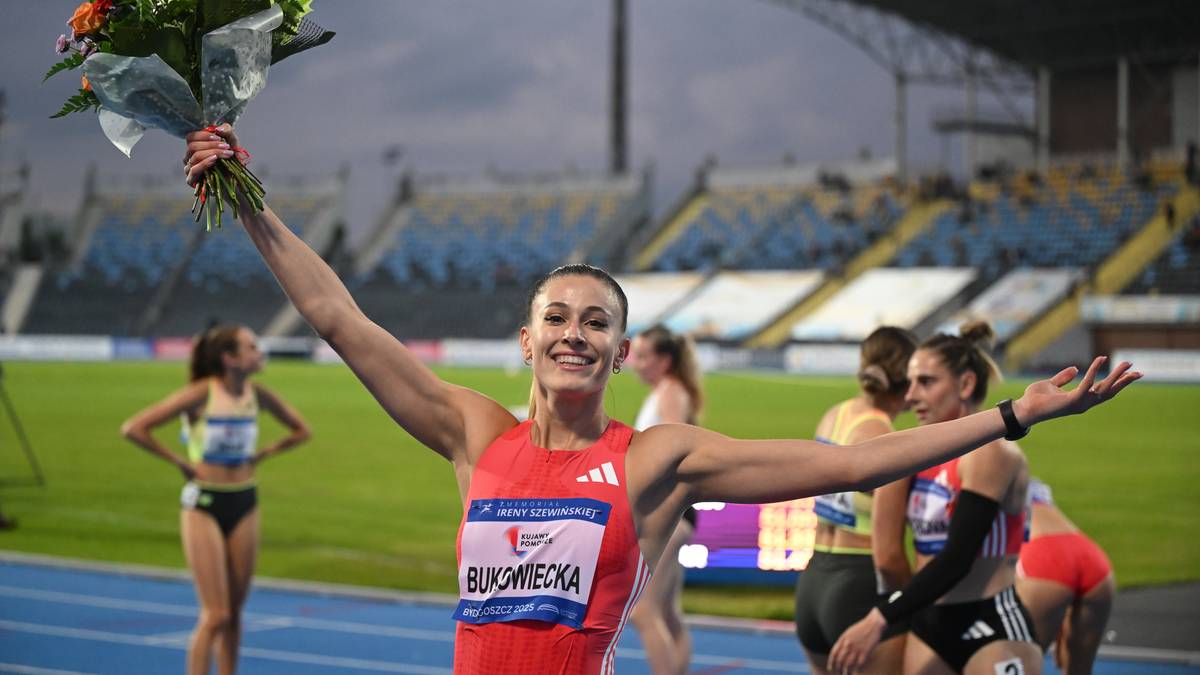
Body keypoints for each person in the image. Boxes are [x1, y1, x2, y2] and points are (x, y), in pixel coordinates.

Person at [183, 126, 1139, 675]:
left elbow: (851, 464)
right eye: (555, 315)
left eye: (595, 322)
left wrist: (1014, 413)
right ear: (526, 338)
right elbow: (339, 318)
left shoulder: (655, 457)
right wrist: (242, 189)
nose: (573, 332)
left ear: (619, 349)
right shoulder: (471, 431)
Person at [831, 321, 1051, 675]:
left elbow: (957, 558)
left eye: (926, 382)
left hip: (989, 625)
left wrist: (879, 618)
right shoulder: (917, 451)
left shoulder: (990, 453)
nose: (910, 395)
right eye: (911, 381)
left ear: (965, 384)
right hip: (928, 622)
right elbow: (886, 550)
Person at [120, 325, 311, 675]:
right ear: (230, 358)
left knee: (235, 614)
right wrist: (179, 461)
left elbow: (302, 430)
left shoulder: (259, 395)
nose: (260, 352)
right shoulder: (201, 394)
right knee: (216, 614)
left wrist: (265, 453)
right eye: (251, 347)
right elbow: (134, 428)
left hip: (245, 501)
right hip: (204, 502)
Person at [795, 326, 916, 675]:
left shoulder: (834, 414)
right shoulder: (885, 438)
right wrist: (911, 603)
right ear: (907, 379)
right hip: (859, 588)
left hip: (813, 583)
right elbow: (889, 556)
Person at [627, 324, 704, 675]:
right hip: (672, 511)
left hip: (669, 512)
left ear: (664, 360)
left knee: (644, 612)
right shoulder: (664, 390)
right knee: (669, 613)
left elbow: (678, 450)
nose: (635, 363)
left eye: (643, 356)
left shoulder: (670, 393)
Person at [1016, 478, 1115, 675]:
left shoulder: (967, 473)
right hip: (1091, 557)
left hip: (1041, 560)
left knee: (1019, 666)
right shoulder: (1023, 474)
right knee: (1080, 670)